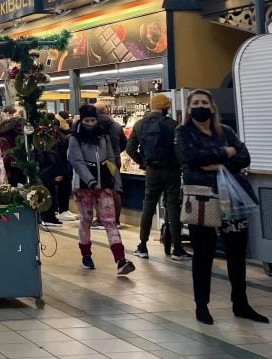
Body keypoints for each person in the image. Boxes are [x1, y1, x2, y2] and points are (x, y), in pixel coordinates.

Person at [175, 89, 266, 325]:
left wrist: (217, 162)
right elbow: (189, 157)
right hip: (203, 199)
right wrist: (225, 154)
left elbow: (244, 157)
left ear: (212, 107)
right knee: (203, 254)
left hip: (231, 199)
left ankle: (241, 304)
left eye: (204, 102)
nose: (200, 106)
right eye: (195, 103)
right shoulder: (183, 132)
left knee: (237, 253)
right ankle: (202, 306)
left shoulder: (226, 132)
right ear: (189, 108)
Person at [67, 104, 135, 276]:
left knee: (110, 221)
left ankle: (120, 260)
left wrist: (116, 183)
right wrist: (90, 181)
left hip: (104, 184)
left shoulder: (103, 137)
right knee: (86, 219)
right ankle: (86, 255)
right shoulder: (75, 139)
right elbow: (77, 162)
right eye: (87, 121)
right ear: (81, 121)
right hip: (83, 187)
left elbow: (111, 160)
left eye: (93, 120)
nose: (91, 124)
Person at [127, 94, 188, 260]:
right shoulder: (173, 125)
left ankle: (142, 246)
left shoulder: (139, 124)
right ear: (166, 108)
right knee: (173, 206)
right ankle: (178, 249)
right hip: (172, 170)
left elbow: (130, 148)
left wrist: (144, 163)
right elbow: (181, 149)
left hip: (152, 170)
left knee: (148, 206)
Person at [96, 103, 128, 227]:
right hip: (113, 160)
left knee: (99, 190)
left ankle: (101, 219)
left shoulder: (94, 126)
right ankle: (116, 219)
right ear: (106, 110)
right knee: (115, 189)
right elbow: (124, 143)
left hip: (99, 161)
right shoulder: (116, 125)